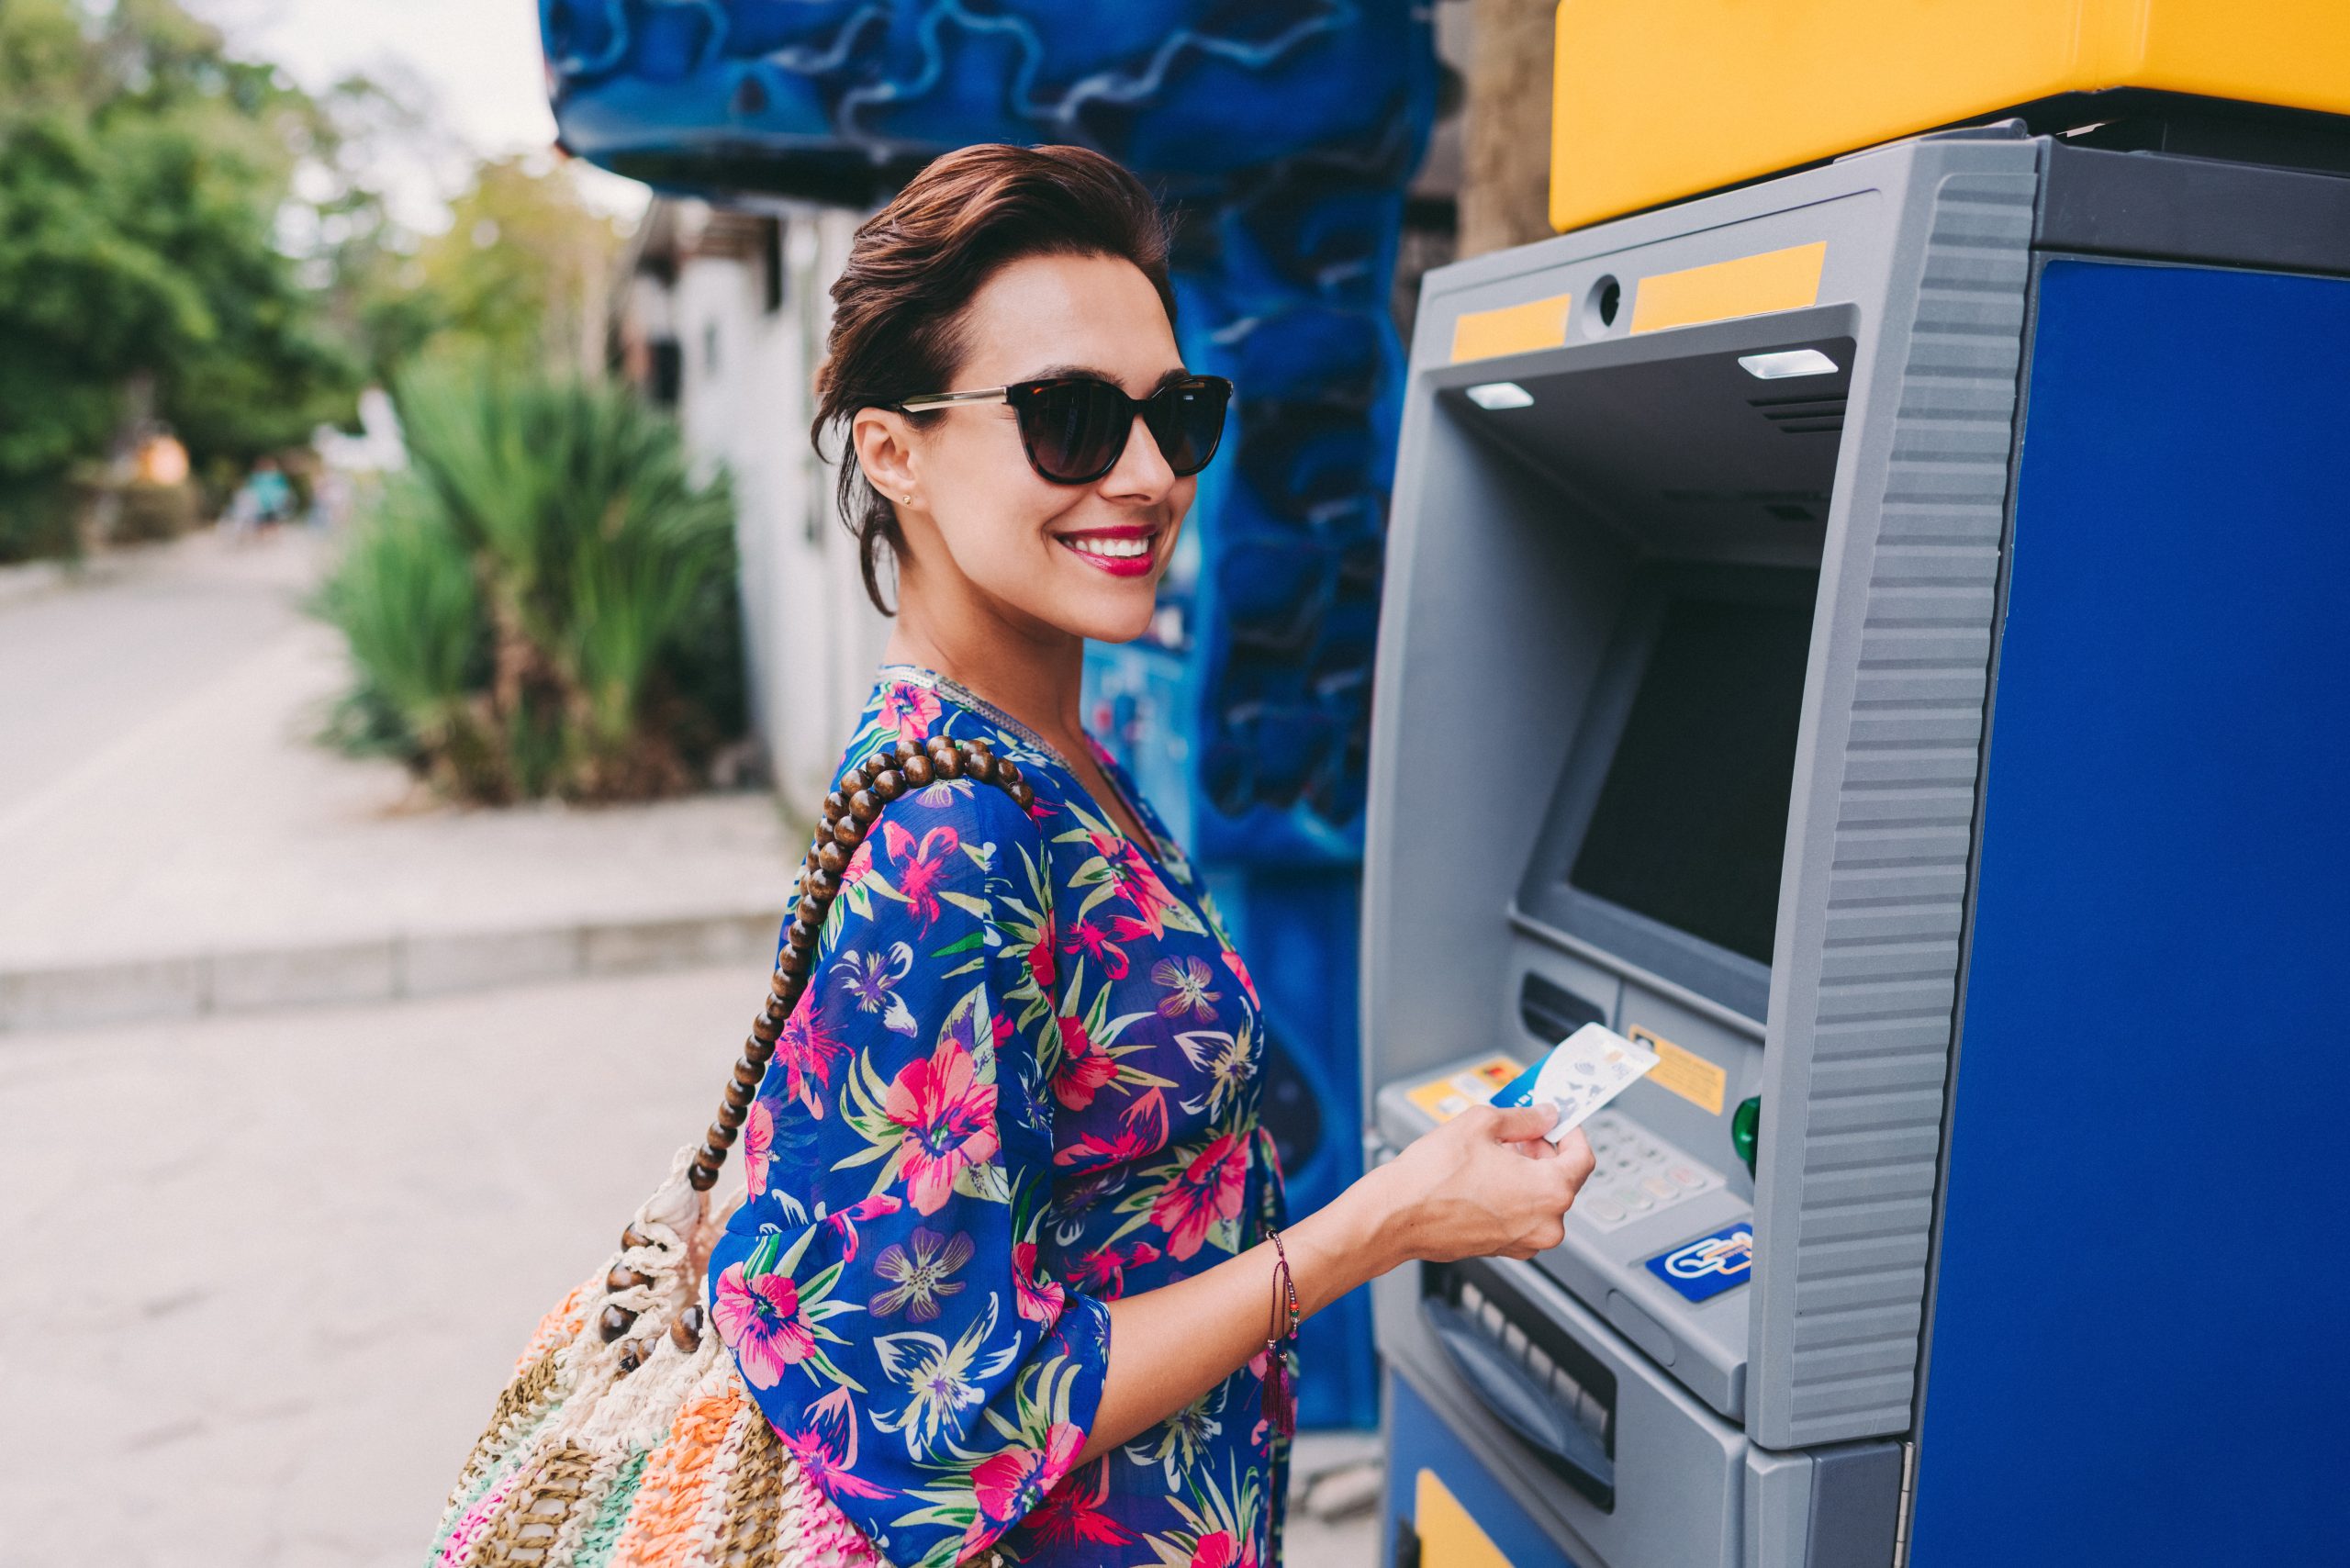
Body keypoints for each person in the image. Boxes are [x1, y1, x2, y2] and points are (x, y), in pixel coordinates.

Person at [706, 143, 1596, 1568]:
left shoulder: (1044, 754)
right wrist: (1386, 1222)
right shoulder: (950, 833)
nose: (1141, 475)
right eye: (1066, 419)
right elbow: (943, 1428)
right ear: (893, 450)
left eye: (1174, 415)